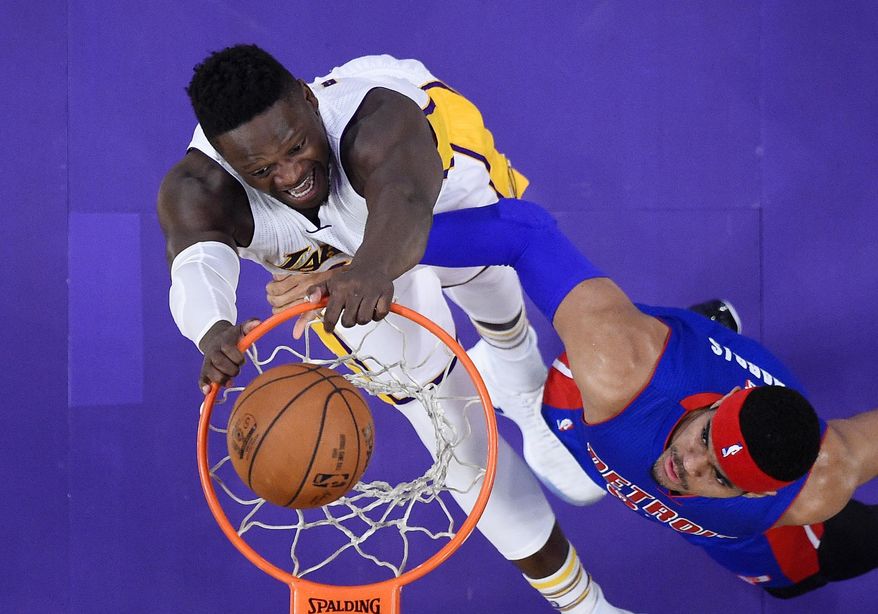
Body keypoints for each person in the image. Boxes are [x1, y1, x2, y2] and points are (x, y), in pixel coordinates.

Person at [157, 45, 626, 613]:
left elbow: (405, 202)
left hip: (432, 187)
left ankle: (520, 381)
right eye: (262, 171)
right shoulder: (198, 190)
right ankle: (585, 607)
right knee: (450, 428)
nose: (290, 176)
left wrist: (369, 269)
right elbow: (196, 265)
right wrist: (212, 331)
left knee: (481, 266)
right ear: (230, 164)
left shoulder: (379, 118)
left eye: (297, 147)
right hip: (336, 264)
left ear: (308, 99)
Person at [410, 199, 878, 603]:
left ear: (759, 493)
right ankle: (694, 340)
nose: (689, 463)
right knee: (570, 417)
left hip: (710, 489)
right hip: (615, 395)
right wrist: (374, 249)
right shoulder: (617, 367)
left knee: (807, 572)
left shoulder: (814, 490)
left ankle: (708, 331)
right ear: (725, 401)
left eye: (718, 473)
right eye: (707, 436)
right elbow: (526, 235)